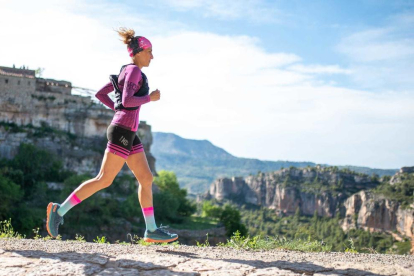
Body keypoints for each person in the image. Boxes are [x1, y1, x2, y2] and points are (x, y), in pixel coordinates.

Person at [46, 27, 178, 243]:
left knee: (146, 178)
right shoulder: (134, 71)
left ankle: (151, 230)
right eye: (149, 51)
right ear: (138, 52)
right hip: (122, 132)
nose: (152, 56)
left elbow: (103, 94)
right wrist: (149, 99)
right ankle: (58, 211)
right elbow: (126, 101)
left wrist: (118, 111)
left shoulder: (124, 72)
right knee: (104, 179)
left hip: (128, 132)